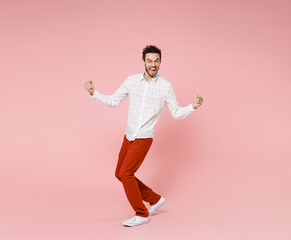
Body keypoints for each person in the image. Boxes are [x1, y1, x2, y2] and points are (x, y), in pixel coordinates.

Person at [84, 45, 204, 227]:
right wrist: (94, 93)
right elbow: (113, 101)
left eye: (156, 61)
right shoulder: (132, 81)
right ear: (143, 62)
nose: (153, 64)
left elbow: (177, 113)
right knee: (119, 173)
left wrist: (193, 106)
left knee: (126, 173)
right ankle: (154, 200)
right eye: (149, 61)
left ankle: (141, 213)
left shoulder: (165, 86)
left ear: (160, 62)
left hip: (144, 137)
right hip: (129, 135)